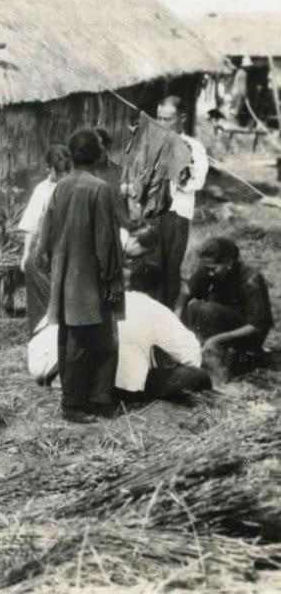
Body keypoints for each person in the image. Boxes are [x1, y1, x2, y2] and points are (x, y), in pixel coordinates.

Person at [35, 128, 126, 423]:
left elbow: (45, 231)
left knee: (76, 337)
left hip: (67, 276)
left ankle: (97, 398)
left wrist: (46, 261)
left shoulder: (61, 187)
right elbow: (106, 240)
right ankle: (74, 405)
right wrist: (111, 278)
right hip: (91, 278)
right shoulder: (100, 189)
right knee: (90, 340)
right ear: (97, 154)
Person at [27, 263, 210, 401]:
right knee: (196, 378)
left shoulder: (99, 297)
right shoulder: (155, 308)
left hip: (49, 370)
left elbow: (41, 333)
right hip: (101, 386)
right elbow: (191, 355)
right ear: (159, 290)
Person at [180, 237, 273, 377]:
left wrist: (216, 339)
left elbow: (258, 326)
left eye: (213, 269)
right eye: (206, 268)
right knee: (193, 308)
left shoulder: (251, 279)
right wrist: (177, 316)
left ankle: (218, 365)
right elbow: (186, 293)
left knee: (205, 310)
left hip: (246, 336)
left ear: (229, 263)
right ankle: (196, 355)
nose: (209, 273)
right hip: (217, 322)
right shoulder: (209, 268)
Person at [153, 97, 209, 306]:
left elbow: (197, 182)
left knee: (170, 267)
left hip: (176, 213)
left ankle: (167, 313)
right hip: (153, 213)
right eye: (158, 118)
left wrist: (175, 170)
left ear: (182, 118)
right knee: (151, 264)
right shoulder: (153, 143)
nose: (161, 123)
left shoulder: (193, 147)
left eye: (167, 119)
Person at [18, 146, 73, 334]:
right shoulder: (42, 190)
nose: (64, 175)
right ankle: (43, 332)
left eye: (68, 171)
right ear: (48, 168)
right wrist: (25, 254)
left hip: (74, 247)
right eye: (60, 172)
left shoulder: (79, 186)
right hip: (48, 248)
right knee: (33, 266)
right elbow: (32, 226)